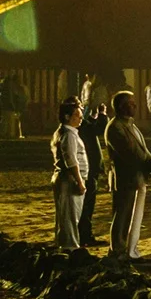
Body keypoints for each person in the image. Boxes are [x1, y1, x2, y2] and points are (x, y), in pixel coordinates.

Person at [105, 91, 151, 263]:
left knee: (134, 215)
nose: (134, 106)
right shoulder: (115, 127)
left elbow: (142, 149)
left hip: (136, 176)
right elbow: (129, 152)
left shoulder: (130, 125)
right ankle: (118, 250)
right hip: (126, 177)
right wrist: (148, 162)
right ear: (121, 106)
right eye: (130, 103)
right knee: (123, 214)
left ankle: (130, 250)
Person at [51, 98, 88, 249]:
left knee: (65, 216)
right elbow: (71, 160)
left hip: (64, 177)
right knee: (70, 217)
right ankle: (70, 248)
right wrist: (79, 181)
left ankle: (65, 245)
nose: (80, 119)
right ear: (67, 117)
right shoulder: (69, 135)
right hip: (70, 179)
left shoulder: (63, 132)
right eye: (77, 116)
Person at [77, 101, 107, 246]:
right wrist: (102, 114)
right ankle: (85, 235)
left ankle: (83, 234)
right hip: (89, 169)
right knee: (87, 204)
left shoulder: (82, 124)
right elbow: (99, 129)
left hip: (90, 168)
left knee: (87, 204)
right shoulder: (81, 125)